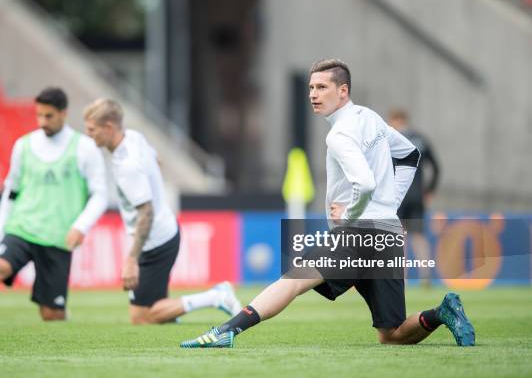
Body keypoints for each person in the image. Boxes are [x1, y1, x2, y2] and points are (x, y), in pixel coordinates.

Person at [180, 59, 474, 348]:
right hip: (388, 233)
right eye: (311, 88)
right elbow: (410, 155)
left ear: (343, 90)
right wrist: (389, 204)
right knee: (392, 333)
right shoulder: (370, 117)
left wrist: (352, 214)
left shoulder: (339, 135)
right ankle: (441, 313)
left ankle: (226, 330)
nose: (313, 94)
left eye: (322, 87)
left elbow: (366, 182)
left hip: (359, 232)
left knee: (293, 281)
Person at [0, 87, 109, 323]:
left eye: (49, 116)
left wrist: (81, 226)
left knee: (51, 314)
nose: (42, 121)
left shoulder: (84, 148)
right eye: (39, 115)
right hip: (22, 228)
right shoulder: (24, 145)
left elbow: (100, 195)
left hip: (58, 237)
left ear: (63, 113)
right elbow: (11, 192)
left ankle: (60, 311)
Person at [83, 98, 241, 324]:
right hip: (165, 229)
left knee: (141, 317)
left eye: (92, 130)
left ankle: (216, 297)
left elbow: (146, 212)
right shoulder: (134, 138)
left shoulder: (127, 167)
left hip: (155, 241)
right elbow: (157, 161)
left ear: (108, 127)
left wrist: (131, 260)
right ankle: (170, 315)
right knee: (155, 310)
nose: (89, 135)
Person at [388, 109, 440, 287]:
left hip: (399, 195)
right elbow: (436, 166)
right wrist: (430, 190)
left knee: (399, 237)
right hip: (418, 195)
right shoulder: (421, 139)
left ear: (396, 120)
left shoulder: (392, 139)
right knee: (419, 237)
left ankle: (402, 277)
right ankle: (426, 275)